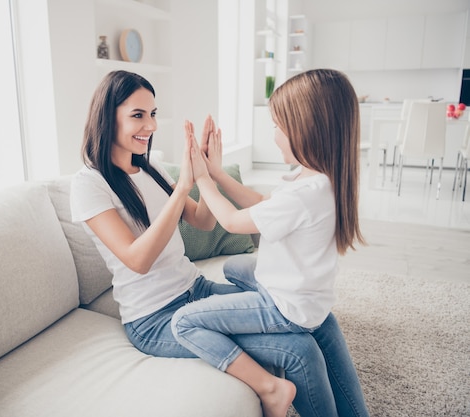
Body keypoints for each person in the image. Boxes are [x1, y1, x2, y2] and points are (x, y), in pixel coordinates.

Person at [70, 69, 368, 417]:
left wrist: (210, 172)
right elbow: (137, 260)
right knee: (298, 351)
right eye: (137, 115)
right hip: (152, 319)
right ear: (107, 117)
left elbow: (204, 219)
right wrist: (183, 186)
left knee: (319, 324)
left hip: (195, 290)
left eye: (152, 114)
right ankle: (272, 390)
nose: (150, 126)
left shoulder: (149, 168)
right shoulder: (89, 184)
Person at [171, 69, 369, 416]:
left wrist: (202, 179)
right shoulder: (319, 179)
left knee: (184, 321)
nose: (274, 135)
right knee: (235, 267)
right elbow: (263, 203)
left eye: (278, 126)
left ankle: (275, 388)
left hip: (284, 307)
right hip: (306, 295)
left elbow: (231, 222)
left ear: (306, 129)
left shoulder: (306, 194)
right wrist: (217, 173)